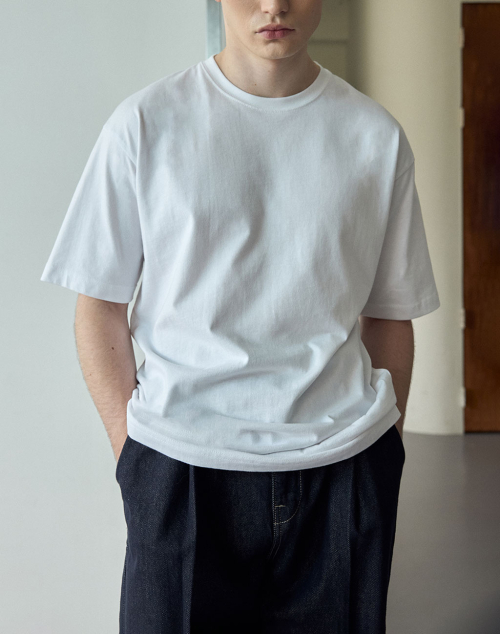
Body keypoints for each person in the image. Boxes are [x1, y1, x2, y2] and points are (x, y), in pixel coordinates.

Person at [40, 0, 440, 631]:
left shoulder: (374, 136)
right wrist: (134, 459)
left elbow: (391, 315)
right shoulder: (145, 123)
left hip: (342, 466)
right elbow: (98, 305)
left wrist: (383, 452)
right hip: (181, 465)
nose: (273, 5)